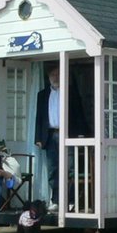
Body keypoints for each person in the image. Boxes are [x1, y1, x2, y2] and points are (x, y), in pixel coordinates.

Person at [34, 63, 88, 211]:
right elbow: (39, 118)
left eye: (59, 74)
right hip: (50, 136)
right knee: (53, 170)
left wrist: (81, 134)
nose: (56, 78)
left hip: (68, 135)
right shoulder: (42, 94)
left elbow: (79, 114)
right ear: (48, 77)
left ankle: (70, 200)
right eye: (53, 75)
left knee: (70, 168)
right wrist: (38, 138)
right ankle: (56, 200)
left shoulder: (71, 93)